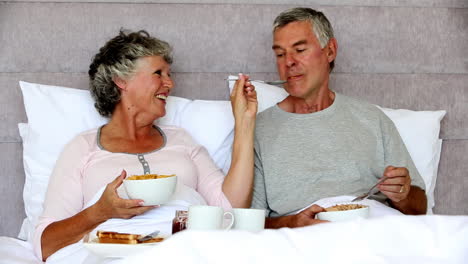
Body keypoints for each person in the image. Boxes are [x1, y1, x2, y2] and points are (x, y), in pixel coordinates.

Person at [35, 30, 257, 260]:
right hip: (114, 252)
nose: (169, 83)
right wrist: (99, 212)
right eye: (158, 73)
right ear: (121, 80)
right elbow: (46, 244)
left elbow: (230, 208)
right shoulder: (83, 148)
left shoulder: (181, 140)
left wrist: (245, 121)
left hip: (184, 251)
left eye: (168, 74)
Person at [251, 7, 427, 228]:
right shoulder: (260, 130)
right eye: (280, 54)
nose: (288, 62)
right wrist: (292, 222)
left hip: (376, 231)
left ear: (330, 51)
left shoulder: (372, 119)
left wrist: (403, 194)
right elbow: (249, 223)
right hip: (304, 241)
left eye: (300, 49)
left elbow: (420, 208)